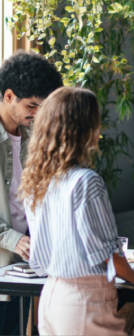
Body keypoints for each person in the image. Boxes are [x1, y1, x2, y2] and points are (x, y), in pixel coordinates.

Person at [20, 87, 134, 336]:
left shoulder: (36, 181)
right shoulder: (86, 182)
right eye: (95, 122)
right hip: (83, 302)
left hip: (50, 298)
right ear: (83, 129)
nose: (99, 130)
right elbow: (107, 253)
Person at [0, 50, 63, 335]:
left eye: (43, 106)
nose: (37, 114)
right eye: (32, 105)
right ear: (9, 96)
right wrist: (14, 240)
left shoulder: (33, 136)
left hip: (25, 265)